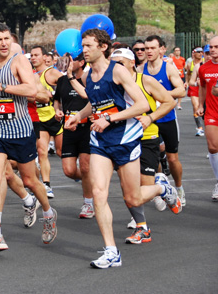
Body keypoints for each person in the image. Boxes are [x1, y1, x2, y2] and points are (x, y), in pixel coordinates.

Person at [65, 29, 181, 269]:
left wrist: (110, 119)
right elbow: (94, 104)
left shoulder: (117, 71)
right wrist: (79, 116)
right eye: (82, 46)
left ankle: (162, 187)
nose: (83, 50)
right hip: (100, 142)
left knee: (133, 197)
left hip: (125, 139)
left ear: (103, 47)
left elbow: (140, 105)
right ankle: (111, 251)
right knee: (99, 193)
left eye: (88, 46)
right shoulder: (87, 75)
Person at [0, 23, 57, 252]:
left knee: (30, 180)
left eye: (6, 39)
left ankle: (49, 213)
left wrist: (2, 86)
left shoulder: (19, 60)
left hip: (20, 130)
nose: (3, 44)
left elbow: (32, 90)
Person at [110, 48, 177, 236]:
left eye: (121, 63)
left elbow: (169, 102)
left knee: (144, 188)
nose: (117, 67)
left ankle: (161, 186)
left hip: (146, 137)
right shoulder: (112, 83)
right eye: (114, 64)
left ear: (132, 63)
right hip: (122, 139)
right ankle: (141, 226)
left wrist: (151, 117)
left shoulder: (145, 81)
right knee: (127, 187)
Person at [143, 36, 186, 206]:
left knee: (172, 158)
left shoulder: (168, 68)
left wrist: (161, 94)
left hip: (167, 119)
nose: (148, 51)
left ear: (161, 49)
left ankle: (179, 187)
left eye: (152, 48)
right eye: (146, 48)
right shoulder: (141, 70)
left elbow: (181, 91)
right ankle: (160, 188)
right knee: (154, 157)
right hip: (150, 120)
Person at [54, 53, 94, 218]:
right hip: (69, 128)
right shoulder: (63, 80)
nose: (68, 63)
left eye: (72, 60)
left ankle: (88, 204)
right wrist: (57, 110)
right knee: (69, 170)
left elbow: (94, 99)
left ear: (82, 62)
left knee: (85, 167)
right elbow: (57, 99)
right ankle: (91, 181)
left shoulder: (89, 78)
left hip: (86, 128)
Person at [30, 45, 63, 198]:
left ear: (44, 57)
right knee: (42, 152)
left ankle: (79, 171)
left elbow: (67, 88)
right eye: (31, 55)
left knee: (61, 152)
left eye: (36, 55)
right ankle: (47, 185)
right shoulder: (29, 75)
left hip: (54, 117)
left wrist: (56, 102)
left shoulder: (51, 73)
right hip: (39, 118)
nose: (33, 58)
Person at [197, 36, 218, 201]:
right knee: (212, 147)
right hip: (211, 112)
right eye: (211, 47)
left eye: (216, 47)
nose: (213, 50)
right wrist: (200, 105)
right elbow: (203, 87)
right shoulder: (204, 68)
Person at [186, 47, 205, 136]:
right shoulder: (190, 64)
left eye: (202, 52)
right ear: (194, 53)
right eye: (198, 52)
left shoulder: (205, 62)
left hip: (204, 87)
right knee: (195, 105)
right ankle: (200, 128)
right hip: (194, 86)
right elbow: (188, 75)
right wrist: (186, 82)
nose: (200, 53)